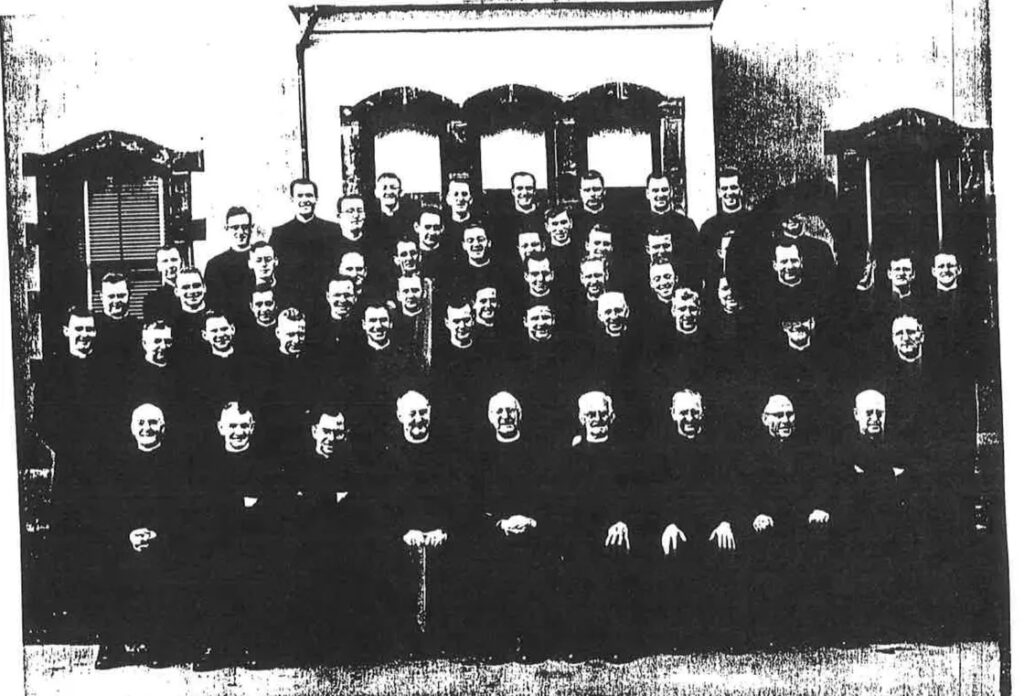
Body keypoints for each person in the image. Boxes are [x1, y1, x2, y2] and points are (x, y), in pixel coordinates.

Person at [640, 389, 742, 651]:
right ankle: (678, 634)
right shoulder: (658, 452)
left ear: (703, 413)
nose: (689, 417)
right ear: (673, 414)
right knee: (671, 545)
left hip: (712, 523)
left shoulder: (719, 448)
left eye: (694, 411)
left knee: (725, 544)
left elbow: (731, 491)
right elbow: (653, 496)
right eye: (683, 412)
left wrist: (725, 521)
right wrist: (667, 523)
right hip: (675, 524)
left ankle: (721, 632)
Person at [91, 404, 189, 668]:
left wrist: (160, 534)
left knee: (174, 564)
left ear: (163, 428)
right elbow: (108, 509)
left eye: (153, 423)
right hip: (127, 539)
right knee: (105, 561)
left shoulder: (177, 465)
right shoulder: (118, 465)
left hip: (165, 539)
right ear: (132, 428)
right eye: (141, 423)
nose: (147, 428)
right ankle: (113, 644)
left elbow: (184, 510)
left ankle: (161, 643)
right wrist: (128, 534)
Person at [465, 392, 556, 660]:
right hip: (497, 533)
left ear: (520, 415)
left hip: (532, 532)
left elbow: (546, 497)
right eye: (500, 412)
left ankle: (534, 643)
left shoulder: (536, 452)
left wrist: (531, 520)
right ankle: (497, 644)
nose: (506, 417)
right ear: (491, 418)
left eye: (510, 411)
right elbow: (475, 504)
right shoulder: (481, 457)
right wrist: (500, 523)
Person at [550, 391, 641, 659]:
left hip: (618, 530)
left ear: (612, 417)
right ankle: (579, 642)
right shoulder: (571, 456)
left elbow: (639, 498)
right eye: (591, 414)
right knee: (575, 558)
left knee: (616, 558)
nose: (597, 419)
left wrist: (624, 521)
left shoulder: (627, 454)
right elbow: (563, 502)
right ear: (581, 418)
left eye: (602, 413)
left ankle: (615, 643)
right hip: (581, 532)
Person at [191, 402, 281, 670]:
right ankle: (216, 646)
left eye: (243, 426)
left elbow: (271, 508)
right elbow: (203, 510)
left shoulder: (266, 464)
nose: (238, 432)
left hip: (256, 542)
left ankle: (253, 644)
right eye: (232, 426)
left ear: (252, 428)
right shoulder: (206, 465)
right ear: (220, 428)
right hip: (218, 542)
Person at [831, 389, 924, 642]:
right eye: (868, 413)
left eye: (879, 413)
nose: (874, 418)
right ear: (855, 415)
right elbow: (846, 492)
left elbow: (906, 485)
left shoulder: (899, 447)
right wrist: (885, 477)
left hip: (894, 524)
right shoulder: (844, 450)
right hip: (856, 526)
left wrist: (868, 478)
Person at [740, 394, 834, 645]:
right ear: (764, 419)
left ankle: (809, 630)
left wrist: (820, 508)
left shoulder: (808, 450)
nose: (785, 420)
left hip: (801, 522)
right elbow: (743, 492)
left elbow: (822, 484)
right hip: (767, 524)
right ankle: (768, 631)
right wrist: (755, 515)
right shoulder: (751, 453)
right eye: (778, 415)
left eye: (789, 414)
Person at [380, 390, 467, 653]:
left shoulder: (448, 454)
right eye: (412, 414)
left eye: (422, 413)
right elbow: (383, 504)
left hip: (441, 534)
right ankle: (404, 639)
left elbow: (459, 499)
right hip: (404, 535)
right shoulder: (388, 456)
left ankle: (445, 639)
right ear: (399, 417)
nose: (418, 419)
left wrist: (445, 529)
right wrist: (403, 531)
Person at [270, 178, 339, 310]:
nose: (305, 200)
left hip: (325, 304)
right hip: (291, 303)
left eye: (309, 195)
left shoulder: (332, 231)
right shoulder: (280, 234)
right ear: (292, 199)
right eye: (300, 196)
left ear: (316, 199)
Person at [634, 173, 701, 281]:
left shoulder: (686, 225)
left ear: (671, 192)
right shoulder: (637, 226)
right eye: (655, 190)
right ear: (647, 193)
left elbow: (695, 264)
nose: (660, 194)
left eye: (664, 190)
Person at [205, 206, 255, 314]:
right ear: (226, 228)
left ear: (252, 227)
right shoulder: (215, 265)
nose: (241, 232)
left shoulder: (261, 259)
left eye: (245, 227)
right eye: (235, 227)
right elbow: (213, 303)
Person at [94, 272, 139, 361]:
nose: (116, 301)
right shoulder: (92, 327)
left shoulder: (139, 327)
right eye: (111, 296)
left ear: (130, 295)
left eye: (121, 296)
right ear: (101, 297)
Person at [170, 267, 209, 355]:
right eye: (185, 287)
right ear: (177, 291)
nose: (192, 291)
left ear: (204, 287)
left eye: (196, 286)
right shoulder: (172, 323)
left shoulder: (218, 318)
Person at [234, 284, 279, 358]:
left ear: (276, 305)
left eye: (268, 304)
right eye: (259, 304)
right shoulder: (244, 334)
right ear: (251, 307)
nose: (264, 309)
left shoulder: (284, 330)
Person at [144, 245, 184, 321]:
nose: (170, 265)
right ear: (158, 266)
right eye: (165, 261)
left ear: (181, 262)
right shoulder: (152, 300)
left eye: (174, 260)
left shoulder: (194, 291)